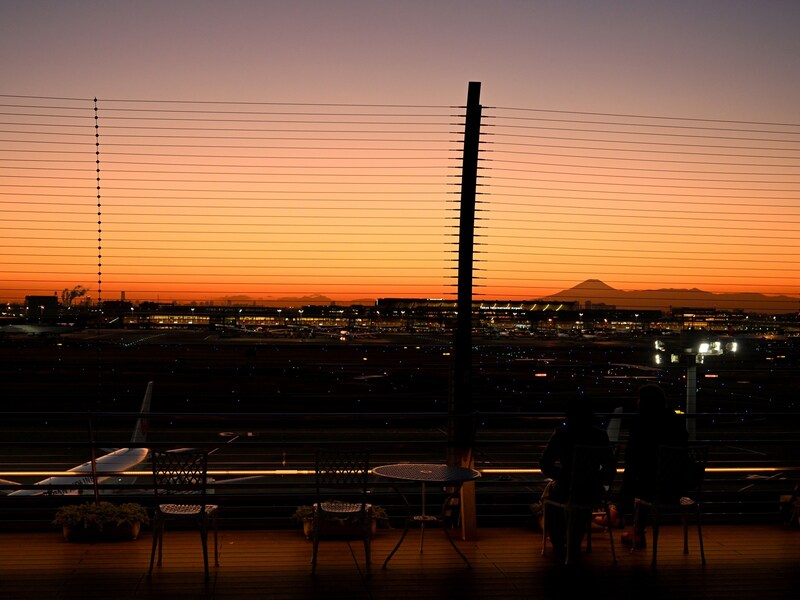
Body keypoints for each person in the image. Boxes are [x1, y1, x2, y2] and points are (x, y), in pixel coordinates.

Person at [603, 383, 688, 548]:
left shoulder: (641, 423)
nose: (637, 402)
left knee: (637, 478)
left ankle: (619, 515)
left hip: (653, 488)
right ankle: (628, 523)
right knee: (642, 478)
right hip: (677, 487)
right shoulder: (675, 422)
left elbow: (632, 456)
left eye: (639, 399)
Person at [539, 395, 616, 561]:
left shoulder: (561, 435)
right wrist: (593, 478)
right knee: (581, 502)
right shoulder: (600, 436)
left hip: (566, 488)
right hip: (591, 491)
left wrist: (563, 477)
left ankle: (559, 543)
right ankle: (574, 542)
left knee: (552, 498)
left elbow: (545, 464)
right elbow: (610, 469)